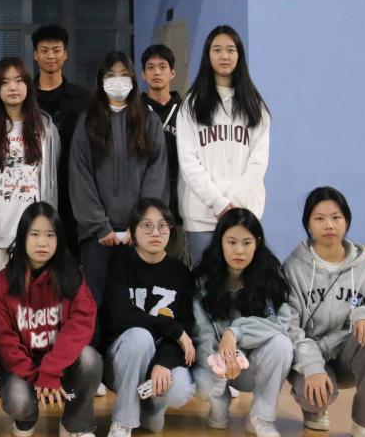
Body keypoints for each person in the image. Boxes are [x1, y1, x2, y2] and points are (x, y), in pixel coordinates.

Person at [284, 186, 365, 437]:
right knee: (314, 397)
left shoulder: (363, 265)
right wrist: (313, 366)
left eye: (336, 217)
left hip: (350, 355)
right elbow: (289, 328)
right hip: (312, 357)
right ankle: (314, 410)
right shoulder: (293, 268)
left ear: (346, 221)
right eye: (319, 218)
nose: (329, 225)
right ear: (308, 225)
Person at [0, 202, 100, 437]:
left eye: (50, 235)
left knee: (90, 358)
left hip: (61, 367)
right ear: (22, 237)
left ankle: (76, 423)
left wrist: (51, 371)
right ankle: (27, 418)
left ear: (59, 239)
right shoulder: (4, 282)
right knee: (18, 401)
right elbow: (5, 342)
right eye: (35, 234)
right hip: (23, 370)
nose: (43, 243)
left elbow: (80, 326)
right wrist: (40, 379)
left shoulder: (72, 276)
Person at [70, 51, 168, 303]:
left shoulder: (149, 122)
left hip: (139, 235)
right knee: (96, 301)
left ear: (134, 80)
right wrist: (101, 227)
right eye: (111, 75)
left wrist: (141, 225)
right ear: (101, 81)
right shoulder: (87, 123)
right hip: (97, 236)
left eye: (124, 75)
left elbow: (156, 176)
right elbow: (80, 177)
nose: (118, 80)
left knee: (138, 301)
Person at [100, 198, 196, 437]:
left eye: (163, 226)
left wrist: (163, 362)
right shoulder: (120, 262)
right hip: (121, 359)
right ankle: (123, 421)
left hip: (159, 360)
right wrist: (173, 329)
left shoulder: (181, 274)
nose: (155, 233)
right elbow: (120, 315)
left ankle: (150, 409)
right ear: (133, 231)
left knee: (181, 387)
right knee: (140, 337)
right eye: (147, 226)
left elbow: (187, 330)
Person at [192, 208, 293, 437]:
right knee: (205, 388)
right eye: (232, 242)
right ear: (220, 243)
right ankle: (219, 403)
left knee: (282, 345)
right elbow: (202, 333)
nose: (239, 250)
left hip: (252, 366)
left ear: (257, 243)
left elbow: (280, 324)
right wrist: (218, 364)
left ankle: (262, 418)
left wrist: (235, 332)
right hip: (216, 364)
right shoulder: (203, 279)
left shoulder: (269, 276)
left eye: (247, 243)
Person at [176, 25, 270, 264]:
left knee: (244, 282)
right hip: (202, 216)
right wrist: (219, 203)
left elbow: (258, 162)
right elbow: (188, 161)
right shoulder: (191, 104)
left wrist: (235, 205)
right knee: (205, 281)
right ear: (208, 55)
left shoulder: (255, 105)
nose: (224, 56)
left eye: (230, 49)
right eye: (217, 50)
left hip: (245, 214)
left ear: (239, 55)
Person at [0, 57, 59, 277]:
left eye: (18, 80)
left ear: (28, 85)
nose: (12, 87)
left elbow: (53, 180)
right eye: (5, 82)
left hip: (34, 236)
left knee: (32, 296)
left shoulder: (46, 129)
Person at [30, 24, 90, 243]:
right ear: (35, 55)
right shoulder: (25, 98)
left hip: (74, 187)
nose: (50, 56)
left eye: (56, 50)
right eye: (44, 50)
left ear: (65, 54)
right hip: (33, 187)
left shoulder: (84, 99)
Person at [140, 44, 186, 263]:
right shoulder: (135, 111)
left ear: (172, 72)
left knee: (176, 267)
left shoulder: (187, 110)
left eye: (162, 67)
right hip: (144, 203)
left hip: (179, 206)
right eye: (150, 67)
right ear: (143, 74)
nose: (156, 72)